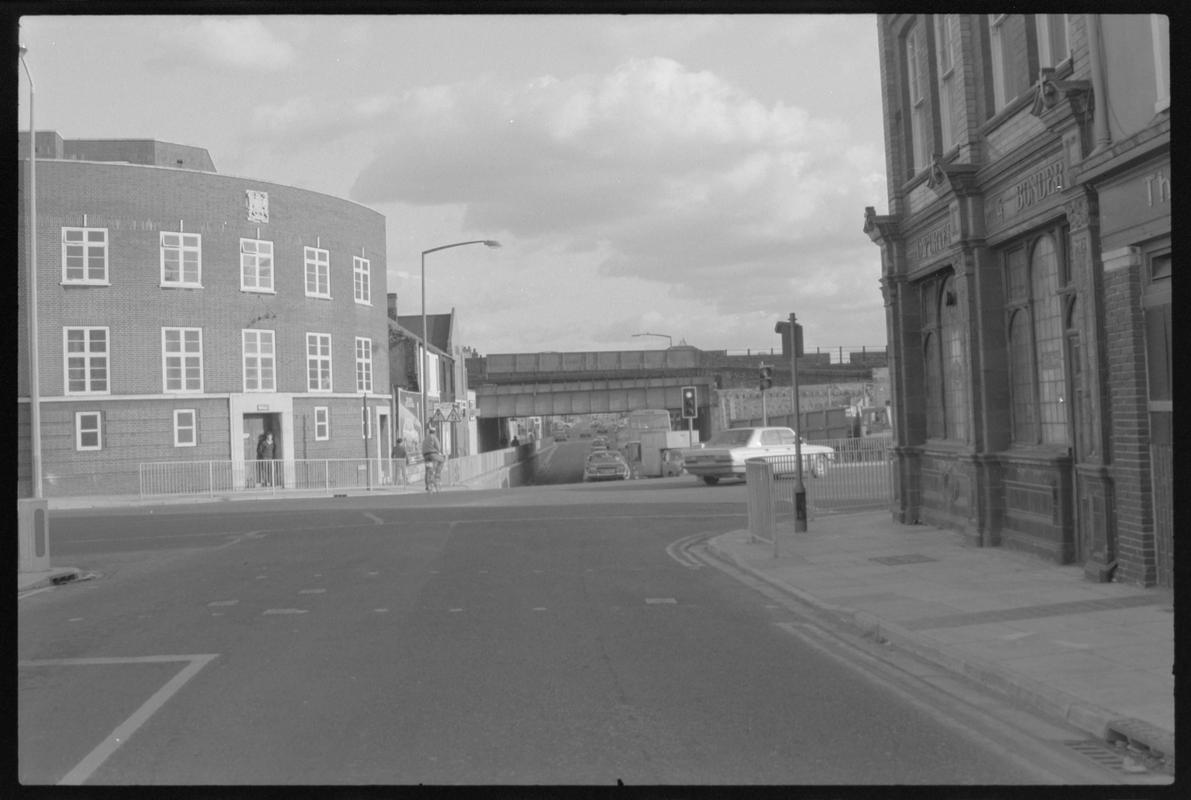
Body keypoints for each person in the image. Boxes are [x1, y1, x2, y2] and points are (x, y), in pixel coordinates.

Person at [422, 425, 445, 492]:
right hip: (433, 455)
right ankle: (437, 476)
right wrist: (439, 452)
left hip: (426, 456)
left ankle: (427, 485)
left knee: (428, 470)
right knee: (442, 460)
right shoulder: (433, 437)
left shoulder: (426, 438)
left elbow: (423, 447)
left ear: (429, 431)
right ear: (434, 432)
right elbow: (438, 447)